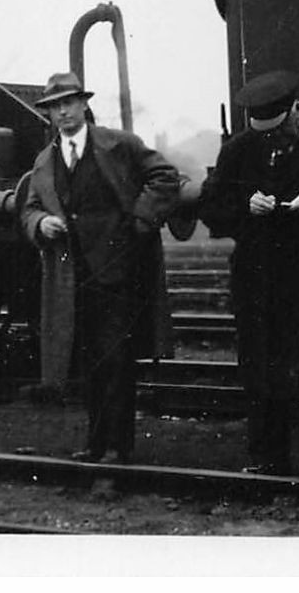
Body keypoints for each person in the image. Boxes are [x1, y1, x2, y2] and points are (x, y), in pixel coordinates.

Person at [198, 70, 299, 479]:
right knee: (260, 375)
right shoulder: (239, 150)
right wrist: (243, 205)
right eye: (263, 135)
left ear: (296, 111)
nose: (272, 142)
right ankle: (268, 459)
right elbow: (212, 210)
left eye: (279, 132)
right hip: (259, 286)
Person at [21, 72, 180, 464]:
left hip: (119, 275)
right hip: (73, 278)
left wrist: (140, 222)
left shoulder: (119, 145)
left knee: (116, 360)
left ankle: (117, 447)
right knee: (89, 362)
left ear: (83, 104)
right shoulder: (45, 161)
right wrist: (40, 224)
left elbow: (165, 177)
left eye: (69, 103)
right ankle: (95, 444)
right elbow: (27, 208)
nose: (62, 112)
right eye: (55, 106)